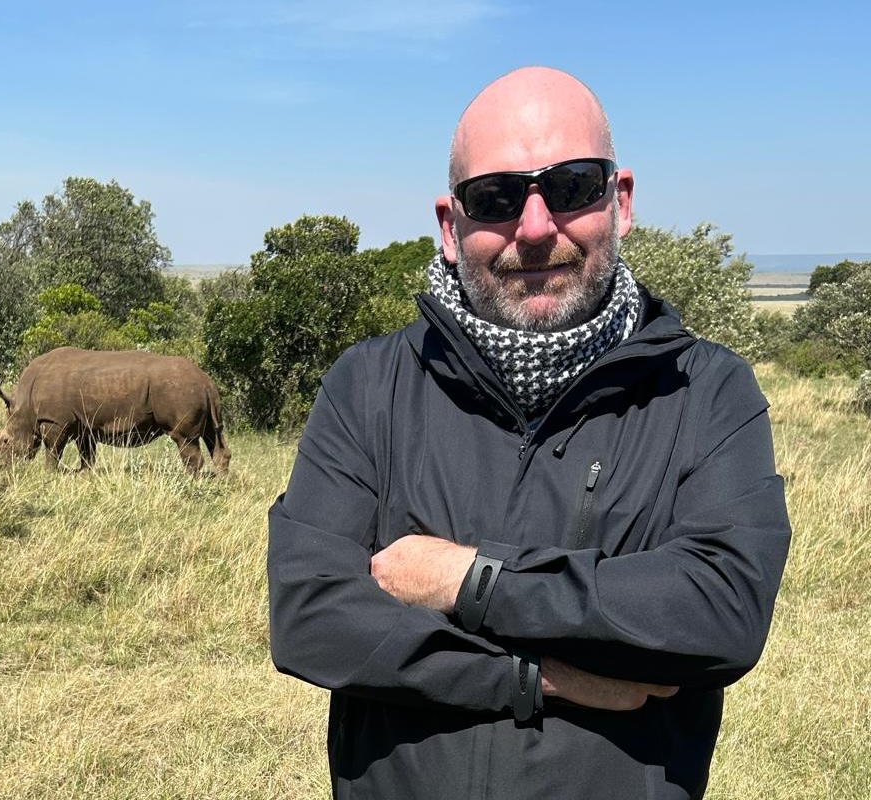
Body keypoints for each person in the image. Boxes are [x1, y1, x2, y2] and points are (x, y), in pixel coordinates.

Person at [266, 66, 791, 800]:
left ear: (621, 202)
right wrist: (529, 677)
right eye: (497, 198)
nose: (537, 227)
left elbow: (719, 609)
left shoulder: (705, 390)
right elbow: (310, 615)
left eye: (572, 186)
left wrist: (469, 580)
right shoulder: (368, 387)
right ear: (452, 228)